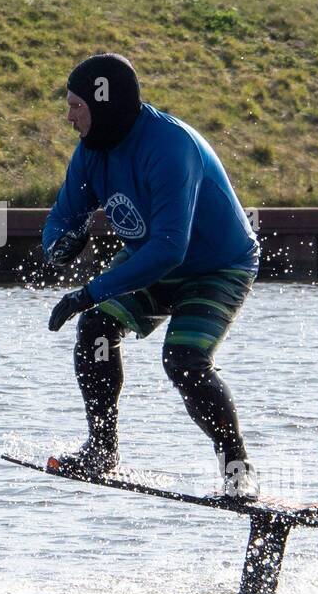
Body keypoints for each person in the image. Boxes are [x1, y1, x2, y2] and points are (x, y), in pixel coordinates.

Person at [42, 53, 261, 498]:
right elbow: (61, 218)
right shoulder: (90, 154)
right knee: (97, 328)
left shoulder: (169, 147)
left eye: (76, 106)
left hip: (216, 268)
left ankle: (238, 471)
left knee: (184, 361)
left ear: (104, 104)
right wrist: (58, 245)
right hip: (151, 257)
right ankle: (102, 449)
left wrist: (88, 291)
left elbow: (169, 248)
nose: (68, 117)